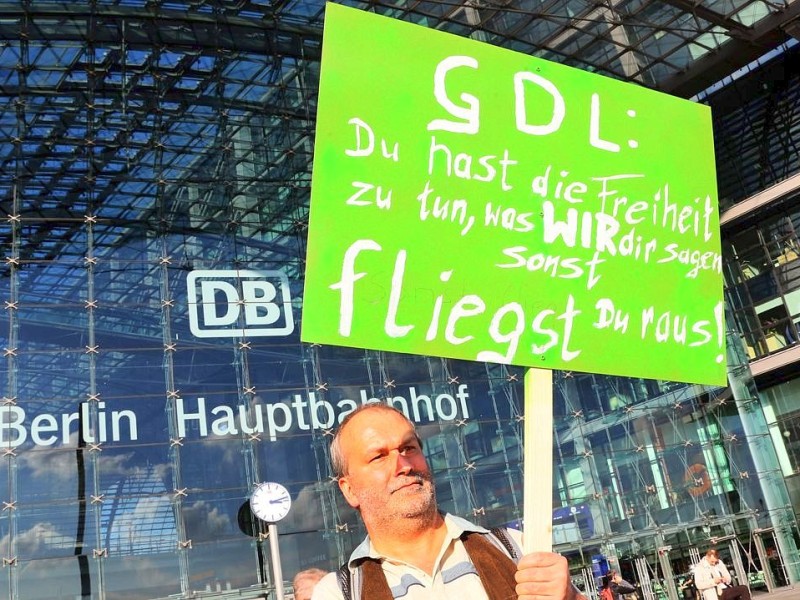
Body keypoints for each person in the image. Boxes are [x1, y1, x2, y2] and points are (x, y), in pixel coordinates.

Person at [311, 403, 587, 600]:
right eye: (379, 456)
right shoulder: (338, 592)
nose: (403, 464)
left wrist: (570, 597)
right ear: (350, 490)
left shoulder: (517, 549)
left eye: (408, 448)